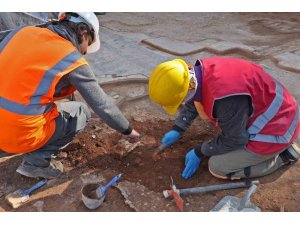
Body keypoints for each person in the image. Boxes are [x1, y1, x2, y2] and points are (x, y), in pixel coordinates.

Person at [0, 12, 140, 179]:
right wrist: (128, 130)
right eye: (88, 43)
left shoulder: (22, 32)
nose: (86, 51)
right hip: (17, 135)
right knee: (81, 112)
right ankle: (35, 164)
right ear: (83, 32)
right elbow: (102, 104)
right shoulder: (70, 58)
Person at [148, 57, 300, 180]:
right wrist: (179, 127)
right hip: (280, 112)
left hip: (277, 131)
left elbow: (235, 139)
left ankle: (284, 156)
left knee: (218, 166)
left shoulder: (225, 99)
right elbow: (194, 97)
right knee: (226, 131)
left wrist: (200, 151)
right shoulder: (199, 72)